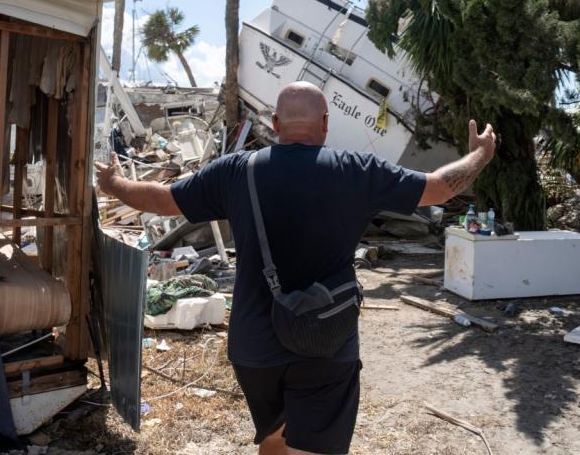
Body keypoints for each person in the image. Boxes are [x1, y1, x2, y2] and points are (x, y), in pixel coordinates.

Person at [95, 81, 496, 455]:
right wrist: (480, 155)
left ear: (274, 124)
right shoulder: (356, 170)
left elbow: (164, 200)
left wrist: (114, 186)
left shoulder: (237, 171)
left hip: (254, 348)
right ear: (325, 123)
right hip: (327, 342)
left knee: (273, 435)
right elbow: (440, 187)